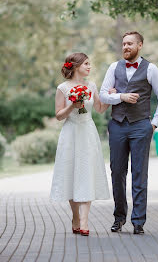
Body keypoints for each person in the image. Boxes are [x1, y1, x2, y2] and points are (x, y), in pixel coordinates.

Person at [100, 31, 158, 235]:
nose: (125, 47)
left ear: (140, 45)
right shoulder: (114, 67)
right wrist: (121, 96)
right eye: (123, 44)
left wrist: (154, 124)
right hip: (117, 125)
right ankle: (119, 217)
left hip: (141, 126)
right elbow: (103, 95)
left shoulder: (152, 69)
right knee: (117, 173)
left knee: (139, 174)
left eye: (130, 43)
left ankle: (138, 221)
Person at [50, 52, 114, 237]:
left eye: (89, 64)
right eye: (86, 63)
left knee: (87, 174)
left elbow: (100, 109)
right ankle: (76, 217)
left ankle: (85, 222)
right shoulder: (62, 88)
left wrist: (109, 98)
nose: (89, 67)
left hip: (87, 133)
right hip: (70, 134)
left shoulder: (91, 85)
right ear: (76, 66)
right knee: (71, 174)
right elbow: (59, 116)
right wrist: (72, 106)